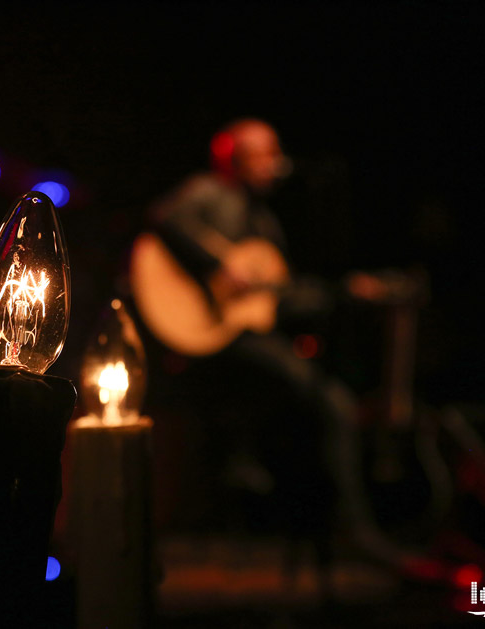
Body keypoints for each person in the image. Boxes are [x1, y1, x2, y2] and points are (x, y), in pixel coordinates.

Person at [133, 118, 397, 566]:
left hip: (242, 334)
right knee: (330, 401)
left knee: (310, 393)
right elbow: (165, 217)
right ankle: (352, 528)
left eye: (274, 152)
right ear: (232, 158)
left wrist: (344, 292)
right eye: (261, 153)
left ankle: (261, 474)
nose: (273, 164)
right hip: (213, 338)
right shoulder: (210, 192)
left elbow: (276, 297)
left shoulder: (264, 221)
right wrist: (218, 265)